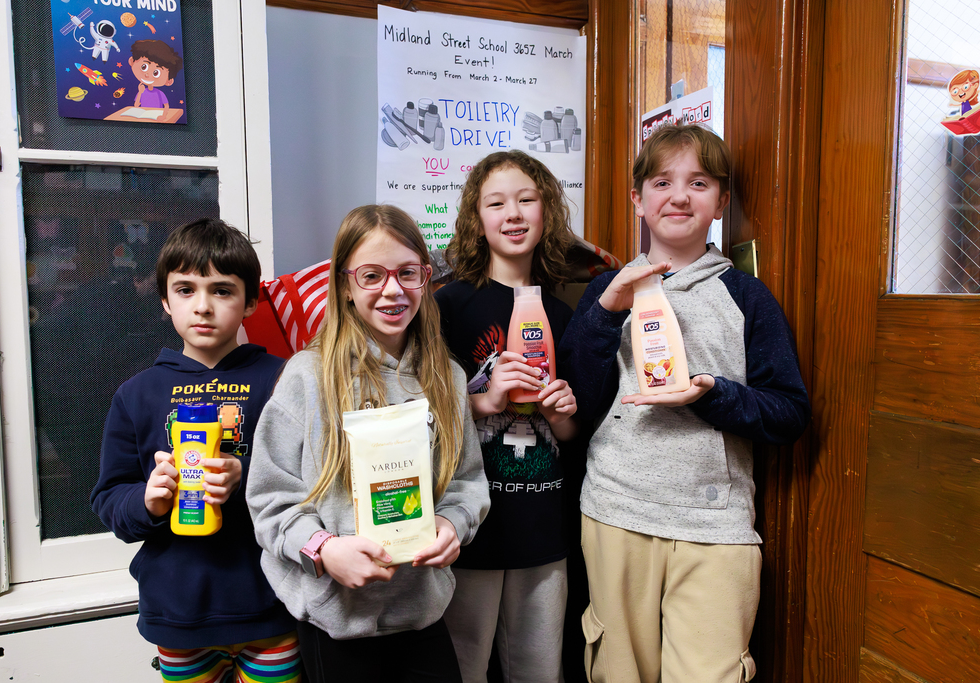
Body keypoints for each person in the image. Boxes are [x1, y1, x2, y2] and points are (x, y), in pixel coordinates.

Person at [559, 123, 810, 683]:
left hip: (716, 527)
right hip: (616, 513)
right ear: (638, 200)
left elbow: (790, 413)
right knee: (617, 671)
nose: (678, 196)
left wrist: (714, 395)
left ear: (721, 202)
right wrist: (604, 313)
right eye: (661, 182)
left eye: (699, 183)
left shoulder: (747, 297)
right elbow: (576, 403)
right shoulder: (608, 291)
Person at [246, 205, 489, 683]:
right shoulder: (307, 378)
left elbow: (467, 482)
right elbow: (270, 501)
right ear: (345, 285)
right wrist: (323, 550)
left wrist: (452, 523)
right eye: (372, 275)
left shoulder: (447, 377)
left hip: (422, 612)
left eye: (407, 273)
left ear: (426, 278)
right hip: (336, 620)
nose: (393, 290)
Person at [91, 219, 300, 683]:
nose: (203, 307)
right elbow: (109, 500)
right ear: (165, 301)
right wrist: (148, 500)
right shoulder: (136, 394)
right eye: (185, 290)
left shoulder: (284, 380)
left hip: (271, 607)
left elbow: (316, 478)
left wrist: (245, 472)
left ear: (250, 302)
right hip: (179, 613)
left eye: (222, 291)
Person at [437, 150, 579, 683]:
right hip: (469, 527)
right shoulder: (448, 306)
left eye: (527, 199)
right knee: (461, 667)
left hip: (544, 526)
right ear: (478, 218)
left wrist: (561, 411)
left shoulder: (564, 314)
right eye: (496, 202)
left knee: (539, 669)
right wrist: (485, 400)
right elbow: (424, 412)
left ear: (547, 214)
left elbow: (571, 433)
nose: (513, 213)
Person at [129, 39, 182, 120]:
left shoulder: (159, 93)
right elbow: (136, 106)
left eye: (156, 73)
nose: (147, 75)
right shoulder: (142, 92)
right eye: (144, 67)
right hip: (143, 118)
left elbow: (166, 106)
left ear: (169, 81)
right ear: (132, 61)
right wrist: (140, 92)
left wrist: (164, 116)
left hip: (156, 117)